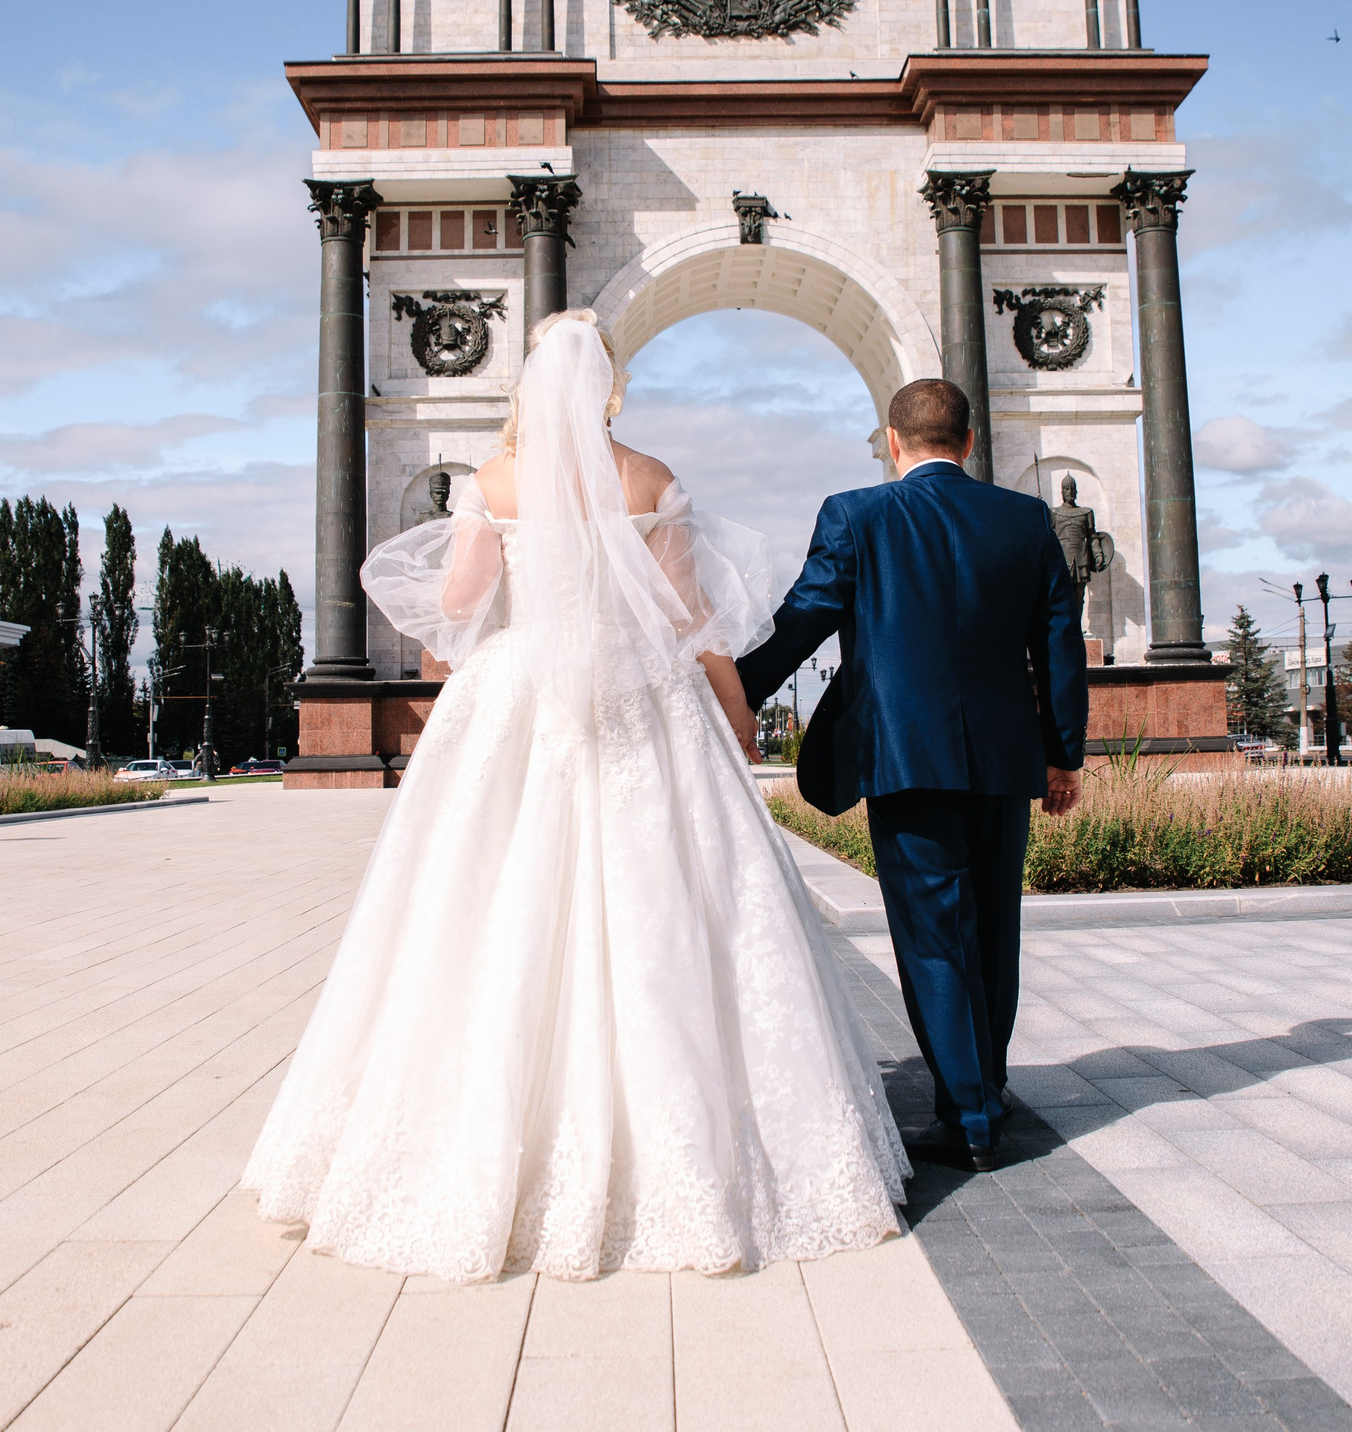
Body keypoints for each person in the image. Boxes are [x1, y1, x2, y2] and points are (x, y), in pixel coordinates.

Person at [241, 310, 907, 1282]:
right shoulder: (648, 477)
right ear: (608, 387)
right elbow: (690, 619)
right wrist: (732, 717)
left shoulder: (496, 482)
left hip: (519, 703)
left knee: (481, 908)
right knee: (667, 913)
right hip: (644, 697)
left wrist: (470, 615)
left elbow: (462, 605)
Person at [738, 380, 1088, 1173]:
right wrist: (1063, 754)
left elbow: (804, 618)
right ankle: (986, 1086)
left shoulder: (856, 514)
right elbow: (1059, 646)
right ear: (968, 442)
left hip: (903, 755)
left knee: (935, 934)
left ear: (891, 442)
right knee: (996, 926)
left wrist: (733, 690)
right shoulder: (1027, 519)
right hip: (1003, 759)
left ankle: (967, 1115)